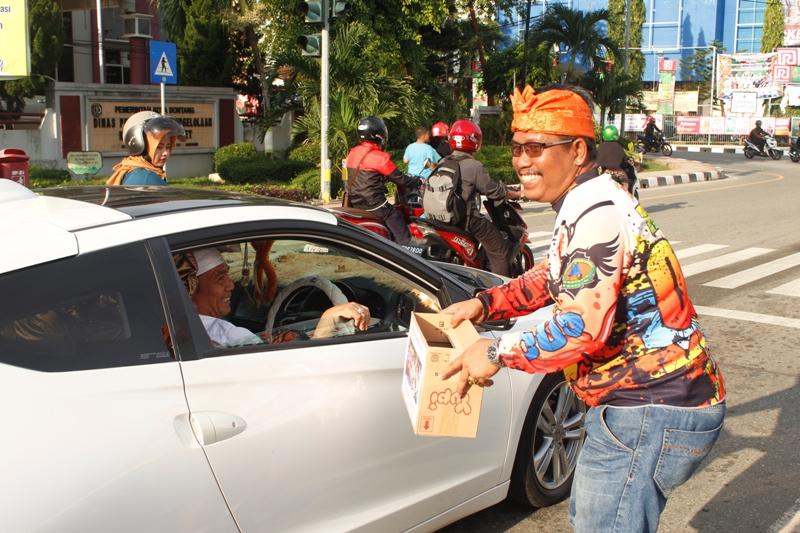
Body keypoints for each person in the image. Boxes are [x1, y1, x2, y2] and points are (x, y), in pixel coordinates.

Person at [441, 84, 726, 533]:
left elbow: (580, 328)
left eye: (537, 148)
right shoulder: (586, 200)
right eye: (516, 149)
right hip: (646, 402)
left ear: (576, 151)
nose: (522, 161)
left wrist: (495, 353)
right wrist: (485, 303)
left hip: (648, 408)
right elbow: (559, 276)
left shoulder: (596, 214)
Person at [174, 247, 370, 348]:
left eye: (227, 274)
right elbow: (299, 374)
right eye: (219, 278)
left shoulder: (174, 327)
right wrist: (328, 321)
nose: (230, 285)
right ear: (190, 289)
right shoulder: (225, 337)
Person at [444, 119, 523, 277]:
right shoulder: (474, 166)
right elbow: (493, 191)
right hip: (467, 219)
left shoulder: (444, 161)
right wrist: (517, 194)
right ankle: (500, 287)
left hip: (444, 218)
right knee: (499, 250)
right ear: (474, 140)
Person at [345, 116, 421, 246]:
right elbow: (400, 179)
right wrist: (416, 182)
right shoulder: (379, 157)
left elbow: (365, 174)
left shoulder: (352, 152)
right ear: (379, 135)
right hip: (374, 203)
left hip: (355, 201)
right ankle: (407, 248)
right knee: (394, 215)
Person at [106, 111, 186, 185]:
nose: (166, 153)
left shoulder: (129, 169)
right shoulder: (147, 178)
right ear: (138, 144)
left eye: (168, 147)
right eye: (159, 147)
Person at [597, 124, 638, 197]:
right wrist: (629, 160)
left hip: (604, 173)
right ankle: (629, 200)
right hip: (617, 173)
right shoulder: (618, 146)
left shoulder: (601, 146)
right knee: (627, 187)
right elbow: (624, 158)